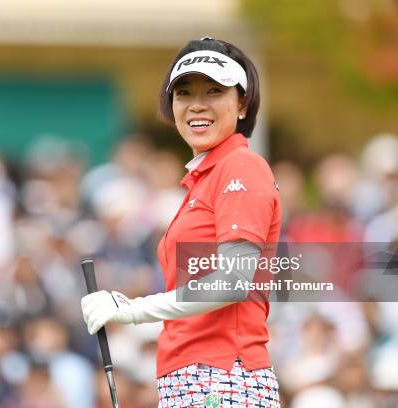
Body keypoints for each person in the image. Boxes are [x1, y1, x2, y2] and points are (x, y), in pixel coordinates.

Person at [81, 37, 282, 407]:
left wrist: (132, 310)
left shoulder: (240, 166)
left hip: (224, 376)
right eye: (184, 93)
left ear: (242, 104)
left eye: (214, 91)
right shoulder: (202, 179)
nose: (197, 105)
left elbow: (232, 282)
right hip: (188, 374)